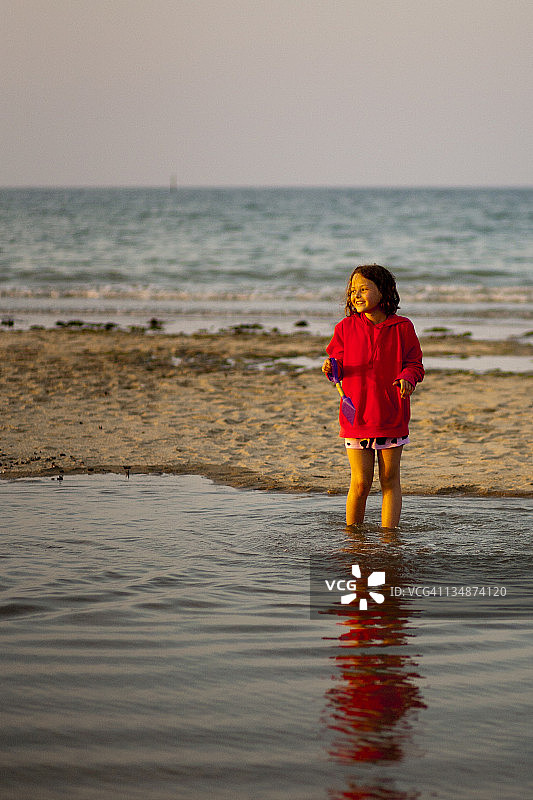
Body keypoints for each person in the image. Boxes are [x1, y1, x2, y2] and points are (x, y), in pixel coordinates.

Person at [322, 264, 424, 528]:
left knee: (389, 480)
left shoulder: (403, 327)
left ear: (384, 291)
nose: (356, 295)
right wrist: (331, 367)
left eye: (364, 289)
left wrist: (408, 377)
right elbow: (337, 364)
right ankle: (353, 537)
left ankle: (389, 536)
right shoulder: (345, 328)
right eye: (352, 290)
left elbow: (415, 364)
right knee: (360, 483)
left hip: (391, 415)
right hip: (356, 416)